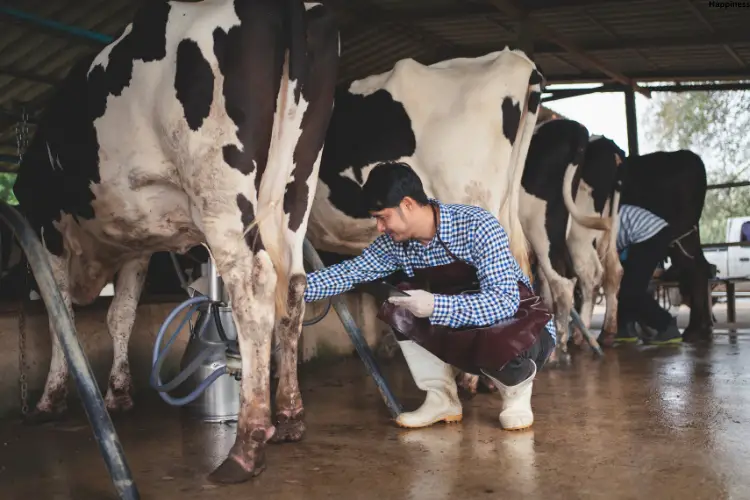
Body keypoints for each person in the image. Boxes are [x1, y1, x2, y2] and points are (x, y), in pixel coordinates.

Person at [304, 161, 556, 431]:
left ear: (409, 204)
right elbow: (352, 272)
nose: (379, 227)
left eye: (382, 217)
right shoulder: (394, 245)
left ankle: (516, 391)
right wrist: (292, 289)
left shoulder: (476, 225)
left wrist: (436, 305)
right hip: (469, 329)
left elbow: (504, 302)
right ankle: (441, 398)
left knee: (489, 322)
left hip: (525, 329)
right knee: (398, 305)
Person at [611, 203, 683, 345]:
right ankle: (624, 329)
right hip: (651, 234)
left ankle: (667, 327)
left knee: (631, 291)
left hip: (650, 236)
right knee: (625, 285)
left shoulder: (593, 224)